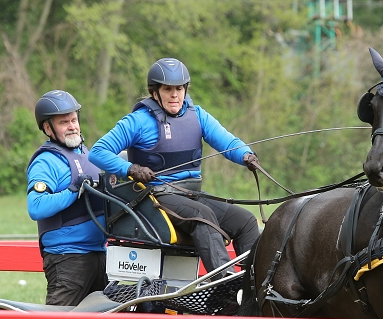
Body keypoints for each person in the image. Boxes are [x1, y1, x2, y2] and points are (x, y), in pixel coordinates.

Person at [89, 57, 261, 274]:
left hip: (191, 194)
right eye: (168, 89)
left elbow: (227, 142)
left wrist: (245, 154)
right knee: (202, 215)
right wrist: (131, 169)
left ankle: (253, 286)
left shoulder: (197, 115)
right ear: (155, 92)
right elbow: (97, 152)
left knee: (244, 221)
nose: (174, 95)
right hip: (157, 197)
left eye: (179, 88)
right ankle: (223, 285)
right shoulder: (138, 121)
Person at [27, 90, 107, 306]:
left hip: (101, 256)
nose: (72, 126)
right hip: (68, 260)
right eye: (64, 122)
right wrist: (72, 191)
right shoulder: (45, 162)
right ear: (47, 128)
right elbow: (36, 207)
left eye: (74, 119)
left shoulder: (87, 153)